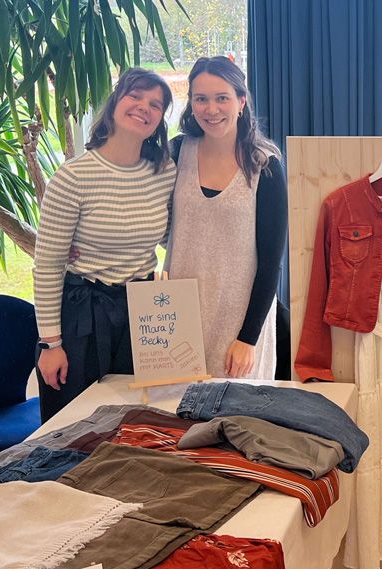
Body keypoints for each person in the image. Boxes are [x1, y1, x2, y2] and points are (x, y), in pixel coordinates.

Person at [34, 68, 176, 423]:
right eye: (135, 96)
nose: (144, 107)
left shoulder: (164, 172)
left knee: (138, 421)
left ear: (160, 120)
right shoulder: (73, 177)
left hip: (142, 314)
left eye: (155, 104)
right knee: (75, 425)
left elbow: (169, 234)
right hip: (84, 314)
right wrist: (50, 344)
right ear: (114, 103)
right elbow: (48, 265)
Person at [166, 56, 286, 380]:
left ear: (241, 101)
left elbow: (271, 263)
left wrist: (248, 338)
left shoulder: (264, 165)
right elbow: (150, 221)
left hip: (239, 322)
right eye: (201, 99)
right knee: (177, 409)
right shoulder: (176, 153)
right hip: (179, 317)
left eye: (222, 98)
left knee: (236, 410)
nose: (211, 109)